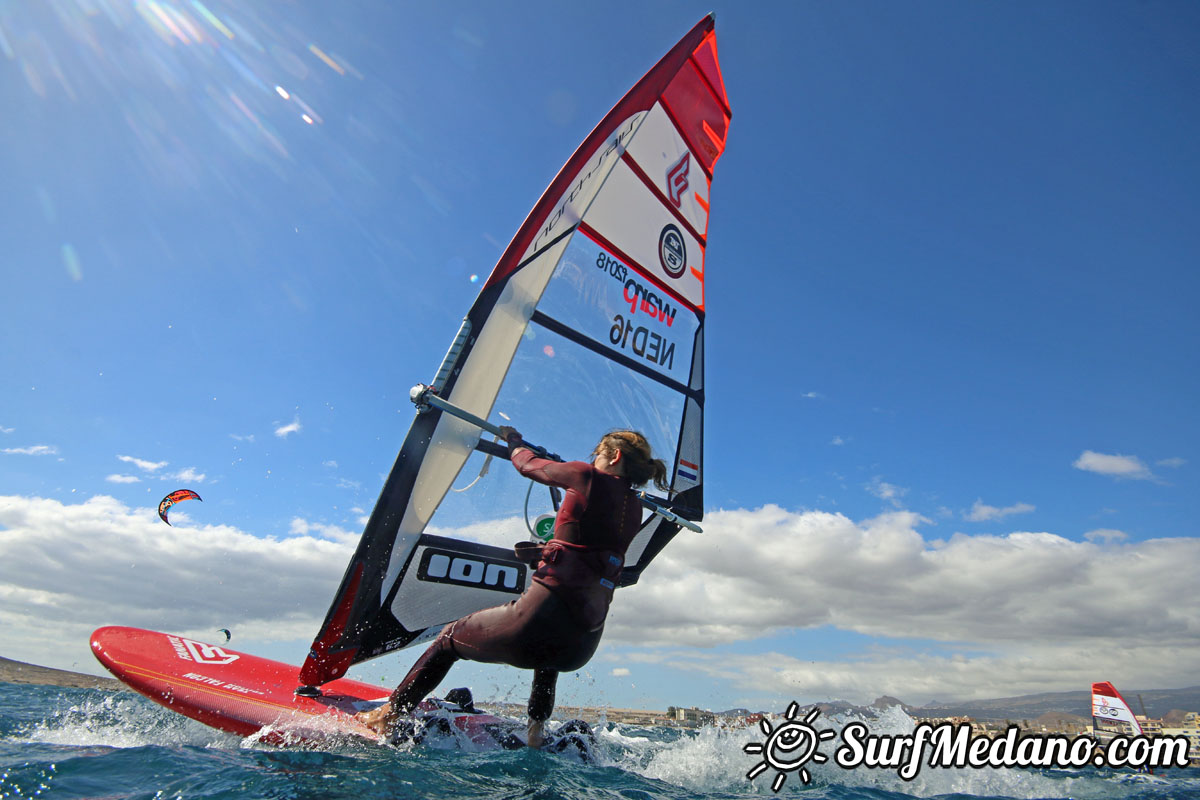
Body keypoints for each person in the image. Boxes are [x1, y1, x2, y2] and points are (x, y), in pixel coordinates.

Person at [355, 427, 668, 747]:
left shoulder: (585, 476)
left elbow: (528, 465)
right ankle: (536, 733)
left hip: (536, 622)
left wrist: (514, 442)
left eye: (598, 452)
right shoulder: (635, 507)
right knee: (549, 654)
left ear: (614, 456)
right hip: (582, 644)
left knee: (449, 639)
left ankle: (390, 713)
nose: (593, 458)